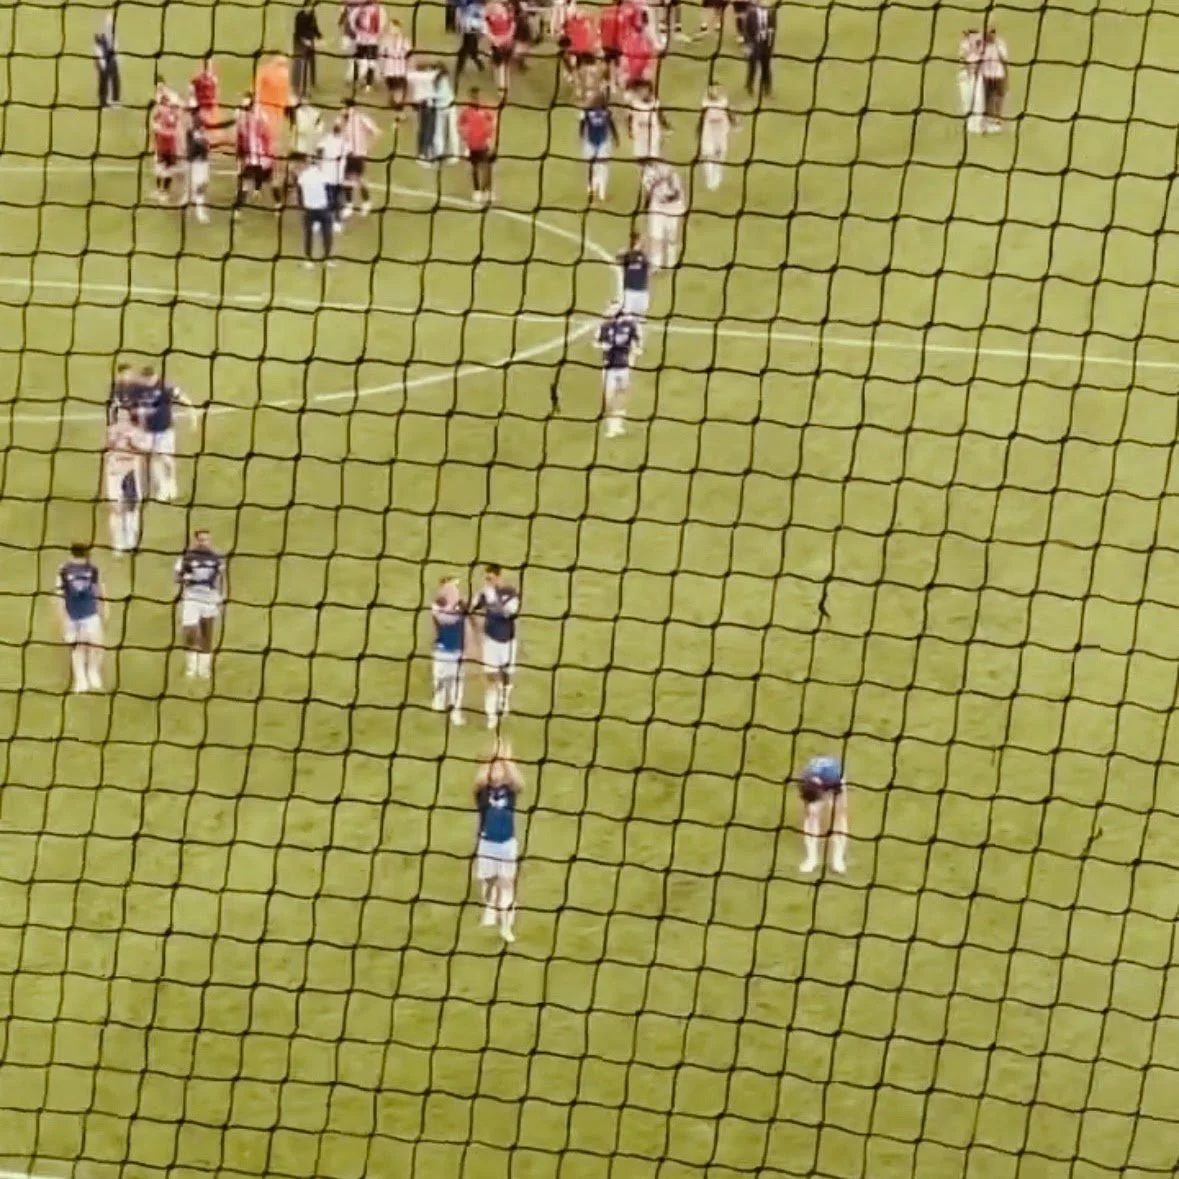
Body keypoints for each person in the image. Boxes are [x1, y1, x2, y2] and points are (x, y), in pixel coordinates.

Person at [474, 738, 524, 942]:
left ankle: (506, 927)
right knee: (488, 882)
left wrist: (506, 760)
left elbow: (519, 782)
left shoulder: (511, 791)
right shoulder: (483, 792)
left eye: (500, 769)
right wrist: (491, 758)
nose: (497, 771)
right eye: (494, 768)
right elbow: (479, 780)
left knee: (506, 883)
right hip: (487, 843)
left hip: (507, 844)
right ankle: (490, 906)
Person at [138, 365, 197, 501]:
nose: (148, 382)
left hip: (165, 431)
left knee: (167, 459)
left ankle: (172, 484)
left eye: (150, 379)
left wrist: (193, 417)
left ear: (155, 376)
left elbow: (184, 399)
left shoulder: (165, 387)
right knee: (154, 459)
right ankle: (162, 488)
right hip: (149, 431)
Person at [471, 564, 520, 728]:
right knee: (491, 677)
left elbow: (509, 613)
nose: (488, 581)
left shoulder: (510, 593)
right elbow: (472, 608)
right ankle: (491, 714)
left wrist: (493, 600)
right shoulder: (486, 593)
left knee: (506, 675)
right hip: (490, 640)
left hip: (507, 642)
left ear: (499, 576)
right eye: (486, 578)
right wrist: (477, 598)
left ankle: (504, 700)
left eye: (490, 578)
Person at [175, 528, 226, 680]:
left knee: (207, 634)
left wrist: (222, 595)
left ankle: (204, 670)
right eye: (201, 540)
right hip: (191, 598)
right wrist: (185, 578)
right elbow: (177, 576)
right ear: (196, 540)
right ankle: (191, 668)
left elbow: (222, 577)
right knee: (190, 632)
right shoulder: (187, 557)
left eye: (207, 539)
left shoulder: (216, 557)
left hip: (209, 599)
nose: (204, 542)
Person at [59, 544, 106, 694]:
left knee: (87, 646)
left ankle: (89, 676)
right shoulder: (66, 570)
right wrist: (104, 607)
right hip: (79, 615)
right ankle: (83, 679)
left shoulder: (88, 569)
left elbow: (99, 588)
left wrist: (104, 606)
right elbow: (100, 589)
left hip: (83, 614)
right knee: (87, 646)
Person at [104, 406, 147, 554]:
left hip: (131, 472)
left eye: (125, 415)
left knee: (132, 508)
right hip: (114, 473)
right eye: (120, 415)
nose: (123, 417)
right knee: (116, 508)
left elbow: (144, 448)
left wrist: (132, 442)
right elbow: (107, 447)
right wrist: (115, 439)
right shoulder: (111, 430)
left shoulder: (136, 431)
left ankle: (131, 542)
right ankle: (118, 544)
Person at [595, 302, 642, 437]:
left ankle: (617, 422)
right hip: (609, 367)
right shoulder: (605, 326)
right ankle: (612, 425)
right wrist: (603, 346)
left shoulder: (629, 325)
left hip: (623, 366)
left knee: (622, 394)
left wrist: (635, 353)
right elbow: (596, 342)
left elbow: (636, 341)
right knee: (609, 397)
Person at [796, 756, 848, 874]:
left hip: (834, 783)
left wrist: (836, 804)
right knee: (811, 816)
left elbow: (841, 808)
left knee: (838, 816)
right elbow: (808, 804)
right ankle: (811, 859)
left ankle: (838, 860)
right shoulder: (805, 781)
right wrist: (811, 808)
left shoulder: (834, 777)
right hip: (818, 783)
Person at [233, 96, 281, 213]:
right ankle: (237, 211)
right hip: (250, 159)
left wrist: (270, 154)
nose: (245, 109)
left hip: (263, 158)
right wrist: (239, 154)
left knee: (273, 182)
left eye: (247, 107)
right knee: (245, 185)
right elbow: (240, 138)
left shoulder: (260, 117)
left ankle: (278, 206)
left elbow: (268, 136)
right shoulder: (242, 118)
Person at [431, 577, 467, 723]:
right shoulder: (444, 609)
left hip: (447, 649)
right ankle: (451, 710)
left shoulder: (438, 607)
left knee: (446, 680)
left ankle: (443, 706)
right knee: (451, 682)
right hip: (450, 649)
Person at [642, 158, 686, 269]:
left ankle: (667, 263)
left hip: (669, 208)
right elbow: (650, 191)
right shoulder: (653, 172)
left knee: (666, 237)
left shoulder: (661, 172)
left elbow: (676, 192)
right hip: (662, 209)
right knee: (660, 237)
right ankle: (661, 263)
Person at [341, 98, 380, 217]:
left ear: (349, 107)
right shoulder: (343, 120)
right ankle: (349, 205)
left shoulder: (361, 118)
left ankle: (366, 203)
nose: (341, 110)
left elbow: (377, 132)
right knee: (346, 180)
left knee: (360, 179)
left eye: (343, 107)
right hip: (347, 154)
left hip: (358, 154)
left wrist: (367, 148)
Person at [458, 88, 497, 204]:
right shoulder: (466, 111)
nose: (476, 99)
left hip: (483, 143)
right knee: (475, 168)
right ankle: (477, 191)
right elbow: (460, 124)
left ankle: (487, 191)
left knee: (487, 167)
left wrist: (489, 136)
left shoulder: (484, 109)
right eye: (474, 97)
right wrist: (465, 139)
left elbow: (493, 120)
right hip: (472, 144)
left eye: (477, 97)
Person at [297, 150, 336, 266]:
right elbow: (330, 194)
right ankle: (327, 259)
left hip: (309, 210)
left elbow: (299, 194)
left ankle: (308, 260)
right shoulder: (324, 176)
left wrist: (302, 207)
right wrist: (331, 207)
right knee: (327, 234)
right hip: (323, 209)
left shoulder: (303, 176)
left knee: (308, 235)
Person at [580, 90, 618, 202]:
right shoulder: (604, 111)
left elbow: (582, 126)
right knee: (600, 167)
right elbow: (611, 125)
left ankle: (595, 189)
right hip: (598, 141)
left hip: (596, 141)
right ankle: (597, 190)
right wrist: (616, 138)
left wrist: (582, 136)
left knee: (597, 166)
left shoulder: (589, 111)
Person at [698, 82, 732, 191]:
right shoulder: (706, 102)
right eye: (712, 90)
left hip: (721, 132)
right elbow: (702, 118)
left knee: (720, 156)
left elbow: (729, 113)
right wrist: (699, 130)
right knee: (709, 156)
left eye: (716, 89)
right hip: (709, 133)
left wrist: (734, 122)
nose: (714, 91)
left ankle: (716, 180)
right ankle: (710, 179)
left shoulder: (723, 101)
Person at [150, 87, 182, 204]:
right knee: (166, 169)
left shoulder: (163, 111)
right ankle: (163, 192)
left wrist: (157, 128)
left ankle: (163, 192)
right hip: (170, 145)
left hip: (164, 145)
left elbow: (155, 123)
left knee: (162, 168)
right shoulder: (175, 113)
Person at [183, 104, 213, 223]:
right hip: (197, 163)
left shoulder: (195, 124)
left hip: (200, 162)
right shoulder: (194, 125)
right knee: (200, 187)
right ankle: (199, 213)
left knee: (198, 185)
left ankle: (187, 204)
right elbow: (195, 147)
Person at [318, 116, 349, 230]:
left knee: (332, 201)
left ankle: (335, 221)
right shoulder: (343, 141)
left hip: (334, 176)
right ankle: (333, 221)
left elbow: (319, 150)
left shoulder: (329, 139)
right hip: (332, 176)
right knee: (332, 201)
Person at [350, 0, 386, 93]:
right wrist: (375, 34)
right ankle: (365, 83)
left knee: (362, 61)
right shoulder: (379, 9)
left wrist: (359, 33)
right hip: (370, 40)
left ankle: (364, 82)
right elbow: (382, 24)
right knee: (368, 62)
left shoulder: (359, 9)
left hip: (366, 40)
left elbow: (352, 22)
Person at [741, 0, 775, 99]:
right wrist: (747, 45)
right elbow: (745, 30)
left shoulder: (771, 13)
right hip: (754, 44)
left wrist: (771, 46)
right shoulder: (751, 13)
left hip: (765, 45)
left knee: (766, 68)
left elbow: (773, 30)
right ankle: (749, 86)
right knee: (752, 67)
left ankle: (767, 89)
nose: (766, 3)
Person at [255, 54, 292, 140]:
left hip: (266, 111)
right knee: (270, 136)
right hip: (273, 112)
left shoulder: (264, 71)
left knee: (263, 136)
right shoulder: (285, 75)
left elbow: (255, 90)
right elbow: (288, 96)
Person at [980, 27, 1009, 133]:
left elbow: (1004, 62)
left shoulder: (1000, 44)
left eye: (991, 33)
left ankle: (998, 120)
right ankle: (988, 121)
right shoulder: (982, 45)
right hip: (987, 76)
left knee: (999, 98)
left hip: (998, 75)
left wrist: (1006, 78)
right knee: (987, 98)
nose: (989, 35)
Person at [380, 19, 412, 113]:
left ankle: (399, 110)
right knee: (394, 92)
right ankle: (396, 107)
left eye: (393, 27)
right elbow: (381, 56)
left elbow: (409, 54)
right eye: (390, 27)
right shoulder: (385, 40)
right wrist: (381, 69)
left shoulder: (404, 40)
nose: (390, 29)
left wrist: (410, 67)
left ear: (399, 28)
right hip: (389, 71)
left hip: (400, 71)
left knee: (398, 92)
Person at [292, 1, 322, 97]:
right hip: (300, 42)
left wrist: (319, 35)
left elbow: (314, 26)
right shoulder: (299, 17)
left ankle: (313, 83)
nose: (310, 9)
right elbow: (300, 31)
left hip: (310, 40)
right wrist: (307, 42)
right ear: (304, 7)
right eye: (309, 7)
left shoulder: (312, 14)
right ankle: (299, 89)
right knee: (300, 65)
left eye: (311, 7)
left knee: (312, 61)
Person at [432, 66, 460, 165]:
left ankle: (454, 155)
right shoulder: (442, 79)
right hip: (442, 107)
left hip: (447, 107)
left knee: (450, 130)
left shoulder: (440, 80)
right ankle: (440, 153)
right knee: (440, 131)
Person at [485, 0, 515, 93]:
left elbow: (512, 27)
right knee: (499, 65)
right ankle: (501, 86)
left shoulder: (508, 15)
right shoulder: (489, 16)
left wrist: (506, 38)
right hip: (496, 43)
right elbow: (486, 29)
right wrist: (494, 40)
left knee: (505, 65)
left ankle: (504, 85)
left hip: (506, 43)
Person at [617, 231, 650, 317]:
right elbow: (619, 259)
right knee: (628, 317)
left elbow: (649, 269)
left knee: (639, 317)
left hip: (642, 291)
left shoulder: (644, 256)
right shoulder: (627, 255)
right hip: (630, 292)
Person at [455, 0, 486, 83]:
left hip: (473, 27)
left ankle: (460, 69)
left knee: (468, 49)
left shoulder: (479, 6)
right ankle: (476, 64)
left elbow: (481, 16)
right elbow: (460, 12)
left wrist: (482, 30)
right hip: (469, 27)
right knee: (468, 48)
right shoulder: (465, 5)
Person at [94, 11, 120, 109]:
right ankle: (103, 102)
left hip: (111, 58)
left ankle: (115, 100)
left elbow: (114, 45)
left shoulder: (112, 33)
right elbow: (98, 49)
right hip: (102, 59)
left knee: (115, 79)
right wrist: (102, 62)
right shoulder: (101, 35)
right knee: (103, 81)